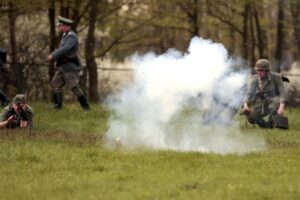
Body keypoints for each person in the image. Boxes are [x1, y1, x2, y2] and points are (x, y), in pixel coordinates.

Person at [47, 16, 90, 110]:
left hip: (70, 67)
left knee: (74, 87)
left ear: (65, 26)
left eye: (60, 25)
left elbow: (65, 49)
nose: (59, 27)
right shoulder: (65, 35)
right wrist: (57, 60)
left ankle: (86, 107)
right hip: (62, 66)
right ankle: (57, 106)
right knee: (55, 84)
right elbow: (62, 50)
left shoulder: (72, 36)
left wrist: (53, 55)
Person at [242, 59, 288, 128]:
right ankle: (266, 126)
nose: (259, 72)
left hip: (275, 100)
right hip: (262, 101)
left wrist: (281, 108)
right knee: (252, 118)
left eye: (261, 70)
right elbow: (249, 94)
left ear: (267, 71)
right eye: (258, 70)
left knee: (272, 107)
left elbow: (283, 93)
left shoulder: (276, 77)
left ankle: (272, 123)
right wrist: (245, 105)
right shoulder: (254, 79)